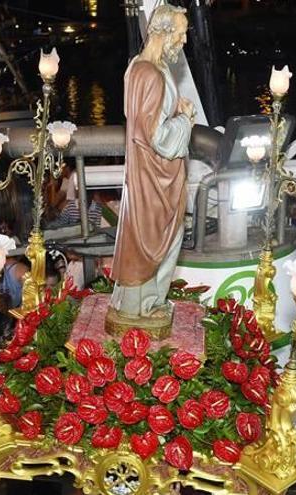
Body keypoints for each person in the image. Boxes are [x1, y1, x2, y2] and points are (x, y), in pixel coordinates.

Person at [110, 4, 195, 320]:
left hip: (147, 173)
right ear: (165, 31)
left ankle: (144, 303)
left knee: (149, 238)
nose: (184, 40)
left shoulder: (138, 66)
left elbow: (144, 119)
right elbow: (156, 137)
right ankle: (143, 306)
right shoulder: (151, 74)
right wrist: (184, 119)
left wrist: (174, 111)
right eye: (182, 32)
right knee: (158, 240)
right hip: (156, 177)